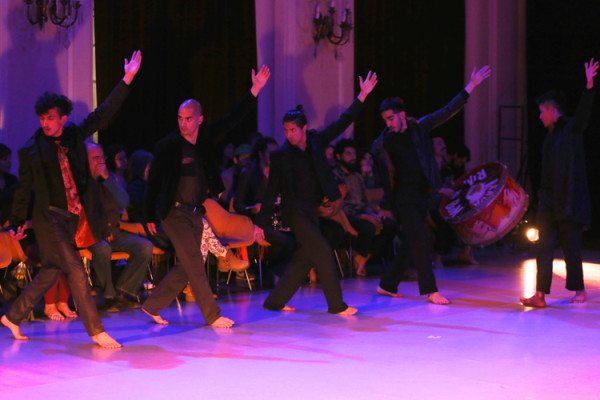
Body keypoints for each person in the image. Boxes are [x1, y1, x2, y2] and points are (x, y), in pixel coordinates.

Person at [1, 50, 142, 348]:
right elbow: (24, 189)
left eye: (51, 118)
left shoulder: (75, 136)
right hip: (48, 217)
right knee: (76, 269)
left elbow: (104, 112)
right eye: (42, 118)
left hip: (72, 218)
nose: (45, 123)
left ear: (63, 118)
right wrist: (16, 221)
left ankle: (12, 317)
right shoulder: (31, 150)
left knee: (51, 271)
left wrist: (127, 78)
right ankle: (96, 330)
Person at [142, 65, 271, 328]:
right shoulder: (168, 146)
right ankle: (212, 315)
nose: (183, 122)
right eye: (180, 118)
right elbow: (153, 184)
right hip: (173, 213)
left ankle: (152, 305)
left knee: (191, 264)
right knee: (195, 265)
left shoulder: (205, 138)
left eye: (188, 118)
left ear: (200, 119)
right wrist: (148, 217)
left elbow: (233, 117)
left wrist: (255, 90)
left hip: (195, 213)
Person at [257, 71, 378, 315]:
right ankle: (336, 305)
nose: (288, 134)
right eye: (285, 130)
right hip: (295, 213)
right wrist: (260, 224)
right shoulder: (281, 156)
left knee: (304, 257)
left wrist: (362, 95)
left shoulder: (315, 141)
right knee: (322, 251)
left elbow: (343, 121)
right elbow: (272, 191)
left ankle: (274, 301)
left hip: (312, 210)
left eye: (293, 130)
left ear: (304, 129)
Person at [373, 65, 491, 305]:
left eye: (391, 118)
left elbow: (447, 110)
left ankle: (387, 285)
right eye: (385, 120)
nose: (389, 123)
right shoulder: (384, 143)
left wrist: (472, 85)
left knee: (410, 241)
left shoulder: (419, 127)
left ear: (402, 114)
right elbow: (384, 177)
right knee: (419, 239)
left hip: (422, 194)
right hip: (403, 198)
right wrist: (386, 205)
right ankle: (430, 290)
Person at [520, 59, 598, 307]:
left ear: (552, 110)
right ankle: (540, 294)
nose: (541, 116)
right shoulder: (550, 137)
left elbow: (584, 113)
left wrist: (588, 86)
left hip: (569, 199)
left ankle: (579, 289)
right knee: (543, 246)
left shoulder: (571, 129)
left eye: (543, 111)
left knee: (571, 247)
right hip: (548, 199)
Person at [86, 142, 153, 312]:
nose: (101, 162)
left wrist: (108, 179)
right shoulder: (81, 182)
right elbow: (84, 213)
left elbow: (124, 201)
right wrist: (101, 230)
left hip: (113, 231)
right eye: (95, 158)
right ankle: (109, 296)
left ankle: (124, 291)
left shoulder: (109, 179)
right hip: (90, 234)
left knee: (144, 246)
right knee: (102, 249)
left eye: (102, 157)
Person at [333, 139, 397, 277]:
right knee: (368, 227)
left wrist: (373, 215)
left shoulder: (357, 177)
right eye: (348, 154)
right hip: (345, 215)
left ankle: (363, 258)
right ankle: (358, 258)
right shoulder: (334, 176)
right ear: (339, 156)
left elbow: (365, 202)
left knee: (390, 225)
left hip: (362, 213)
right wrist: (365, 217)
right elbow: (339, 205)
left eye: (354, 154)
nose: (352, 157)